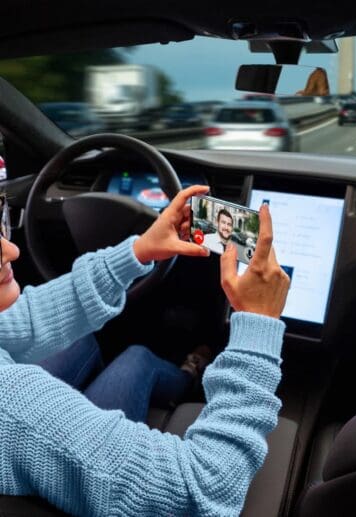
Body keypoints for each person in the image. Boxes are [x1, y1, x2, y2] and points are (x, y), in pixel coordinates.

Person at [0, 184, 290, 516]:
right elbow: (206, 487)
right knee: (137, 359)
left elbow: (24, 322)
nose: (11, 250)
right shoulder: (12, 404)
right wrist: (258, 325)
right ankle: (190, 374)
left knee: (102, 346)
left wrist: (138, 251)